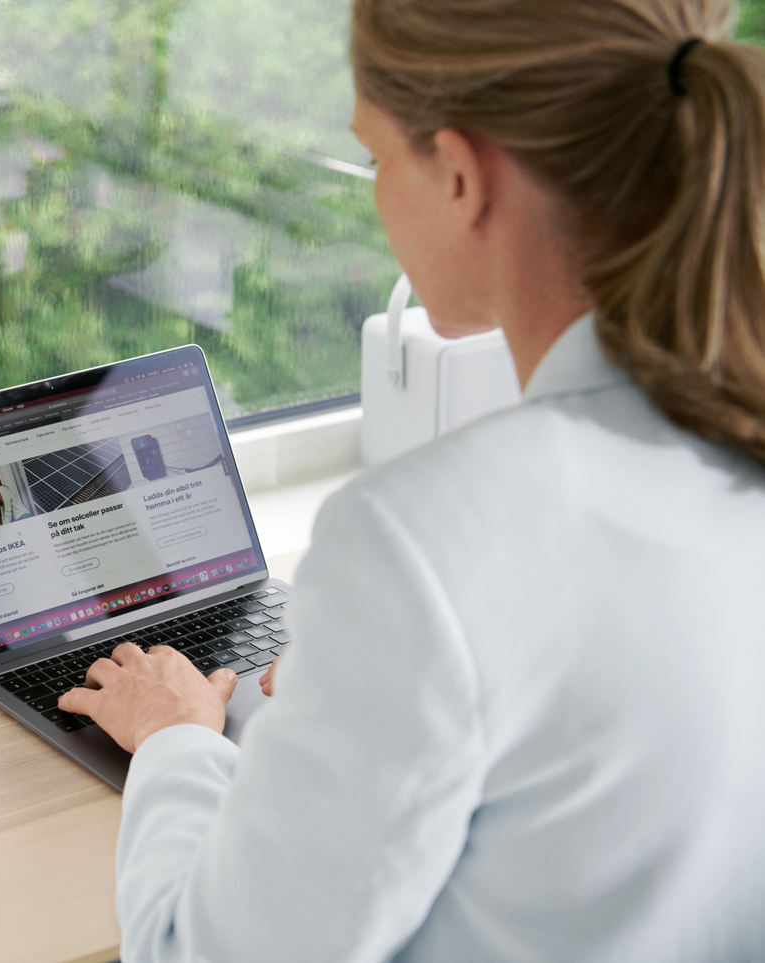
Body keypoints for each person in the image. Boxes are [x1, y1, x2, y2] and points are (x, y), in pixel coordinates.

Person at [58, 1, 765, 960]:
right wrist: (360, 689)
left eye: (378, 157)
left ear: (463, 176)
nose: (375, 193)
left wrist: (178, 737)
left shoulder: (422, 541)